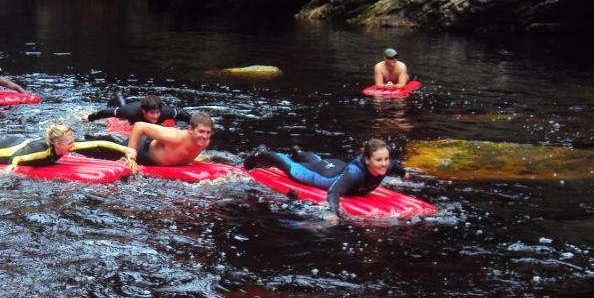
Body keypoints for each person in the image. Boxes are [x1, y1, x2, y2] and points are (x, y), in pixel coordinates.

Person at [244, 138, 407, 213]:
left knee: (319, 161)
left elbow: (397, 168)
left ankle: (299, 152)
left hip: (334, 166)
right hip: (322, 176)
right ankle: (262, 154)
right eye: (379, 160)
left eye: (386, 158)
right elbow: (334, 192)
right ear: (367, 160)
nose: (385, 163)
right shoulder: (354, 174)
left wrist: (405, 174)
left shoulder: (386, 165)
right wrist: (333, 214)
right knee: (293, 168)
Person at [0, 123, 136, 170]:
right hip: (11, 150)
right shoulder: (42, 151)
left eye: (72, 142)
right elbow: (19, 159)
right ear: (57, 144)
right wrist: (12, 168)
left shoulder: (63, 146)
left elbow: (97, 142)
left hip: (17, 139)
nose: (73, 146)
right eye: (69, 144)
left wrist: (124, 149)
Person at [126, 112, 214, 167]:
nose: (205, 136)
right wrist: (131, 157)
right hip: (141, 149)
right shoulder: (173, 137)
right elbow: (139, 126)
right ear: (190, 129)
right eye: (201, 131)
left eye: (208, 132)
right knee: (114, 146)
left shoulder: (203, 142)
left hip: (161, 160)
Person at [85, 93, 193, 126]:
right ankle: (119, 96)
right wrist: (89, 118)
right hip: (130, 109)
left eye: (157, 113)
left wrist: (195, 124)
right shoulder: (130, 112)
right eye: (152, 113)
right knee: (120, 103)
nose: (156, 116)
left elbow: (184, 114)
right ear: (144, 111)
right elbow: (106, 112)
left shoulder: (166, 112)